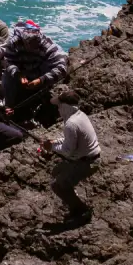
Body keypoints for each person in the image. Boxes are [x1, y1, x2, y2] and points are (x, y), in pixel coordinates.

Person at [0, 19, 68, 118]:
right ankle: (7, 108)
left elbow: (62, 69)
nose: (33, 48)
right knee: (7, 79)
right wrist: (18, 74)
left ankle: (39, 98)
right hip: (20, 72)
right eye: (30, 46)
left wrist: (41, 80)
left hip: (39, 73)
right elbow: (7, 61)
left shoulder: (48, 46)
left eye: (35, 46)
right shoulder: (14, 43)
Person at [42, 88, 100, 223]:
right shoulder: (80, 115)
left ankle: (81, 211)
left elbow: (69, 151)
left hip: (87, 163)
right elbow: (70, 142)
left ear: (66, 107)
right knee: (57, 171)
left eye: (60, 106)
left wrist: (51, 147)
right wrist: (53, 142)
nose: (58, 109)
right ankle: (72, 197)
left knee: (57, 185)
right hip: (92, 158)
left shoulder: (71, 124)